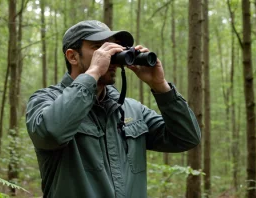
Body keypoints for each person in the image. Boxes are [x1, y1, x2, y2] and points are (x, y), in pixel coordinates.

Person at [26, 20, 201, 198]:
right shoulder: (46, 100)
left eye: (114, 47)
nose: (110, 55)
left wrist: (160, 86)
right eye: (98, 48)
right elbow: (50, 134)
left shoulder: (132, 109)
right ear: (73, 57)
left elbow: (186, 138)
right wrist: (93, 72)